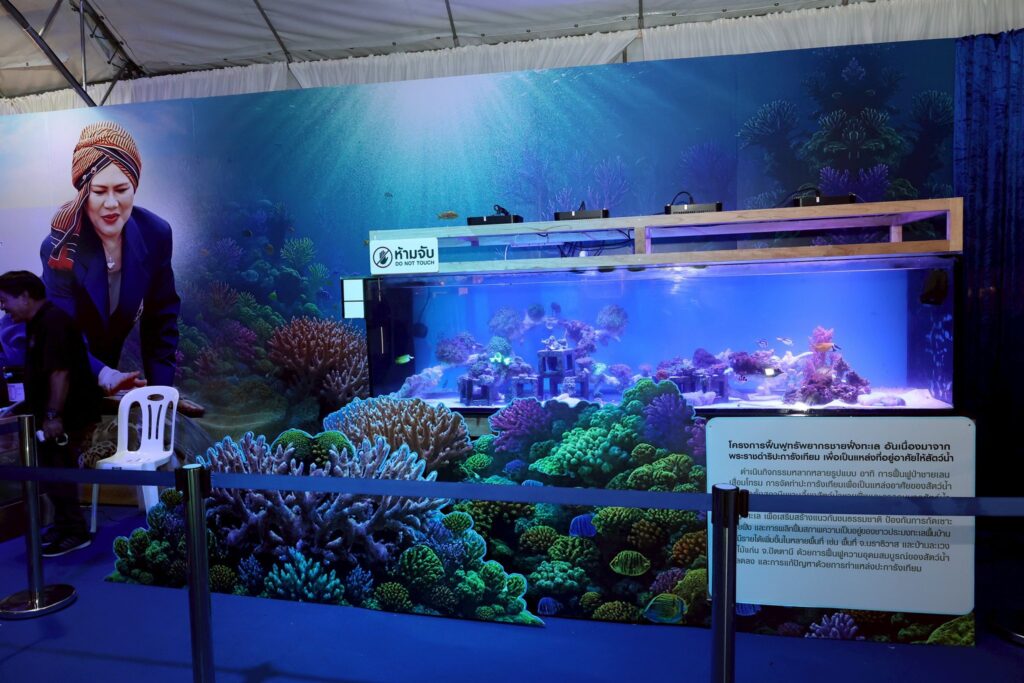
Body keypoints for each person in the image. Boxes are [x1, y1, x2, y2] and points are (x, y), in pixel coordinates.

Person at [39, 121, 200, 414]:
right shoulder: (59, 247)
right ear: (83, 193)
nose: (111, 203)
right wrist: (104, 375)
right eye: (99, 191)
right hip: (58, 374)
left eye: (122, 189)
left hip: (109, 378)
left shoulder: (155, 234)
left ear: (134, 188)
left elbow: (161, 321)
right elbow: (62, 333)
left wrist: (160, 393)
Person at [0, 271, 100, 556]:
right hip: (51, 416)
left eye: (5, 300)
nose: (3, 308)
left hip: (67, 416)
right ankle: (63, 524)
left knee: (59, 469)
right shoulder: (36, 324)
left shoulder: (54, 322)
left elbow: (59, 373)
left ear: (24, 296)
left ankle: (76, 531)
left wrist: (53, 416)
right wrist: (17, 410)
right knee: (50, 470)